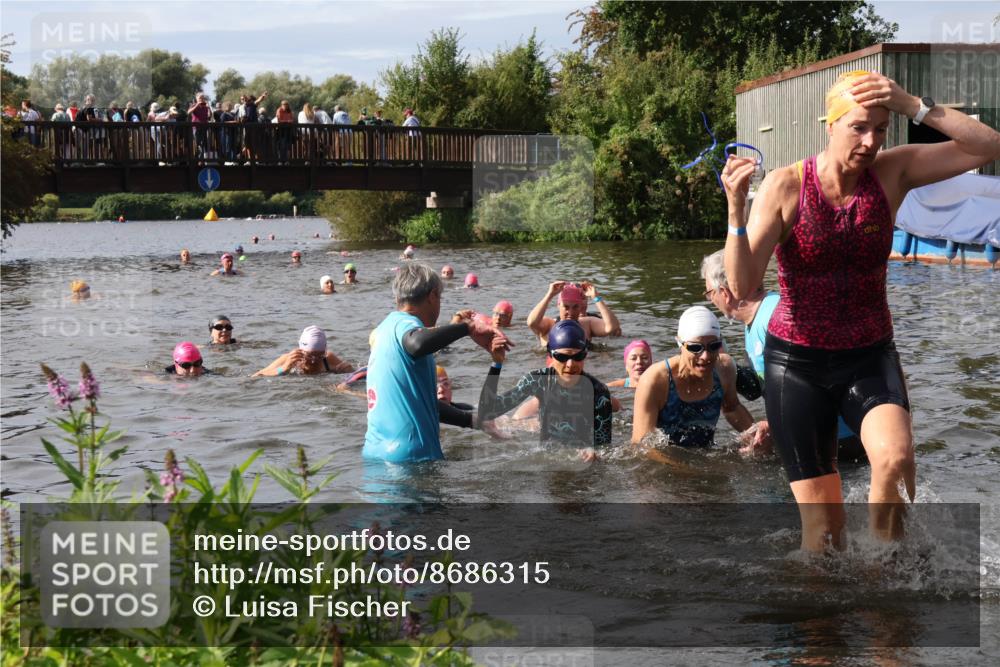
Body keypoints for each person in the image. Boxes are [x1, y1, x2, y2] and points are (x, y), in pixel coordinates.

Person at [722, 70, 1000, 550]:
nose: (870, 141)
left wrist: (913, 104)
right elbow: (744, 286)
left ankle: (884, 574)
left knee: (893, 459)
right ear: (829, 125)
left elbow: (987, 145)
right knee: (824, 536)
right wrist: (736, 211)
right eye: (858, 127)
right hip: (796, 365)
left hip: (869, 355)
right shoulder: (788, 187)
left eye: (880, 129)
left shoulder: (894, 172)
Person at [701, 249, 863, 460]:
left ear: (724, 292)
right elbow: (759, 387)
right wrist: (723, 363)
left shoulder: (775, 315)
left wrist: (773, 425)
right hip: (813, 435)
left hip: (837, 439)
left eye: (709, 293)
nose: (710, 300)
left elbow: (815, 376)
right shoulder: (754, 322)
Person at [362, 263, 510, 463]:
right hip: (411, 457)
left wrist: (472, 420)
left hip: (375, 453)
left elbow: (420, 402)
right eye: (439, 298)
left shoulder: (382, 331)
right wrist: (468, 327)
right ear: (433, 296)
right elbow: (417, 343)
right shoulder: (406, 325)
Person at [632, 306, 759, 455]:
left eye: (714, 346)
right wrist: (693, 472)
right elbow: (642, 447)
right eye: (695, 347)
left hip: (705, 457)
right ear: (680, 344)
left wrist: (758, 439)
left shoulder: (724, 368)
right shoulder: (655, 381)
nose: (705, 356)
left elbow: (731, 408)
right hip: (665, 466)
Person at [478, 319, 611, 461]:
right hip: (547, 459)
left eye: (578, 356)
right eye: (562, 357)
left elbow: (604, 447)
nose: (570, 364)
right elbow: (486, 412)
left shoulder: (598, 392)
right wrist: (496, 364)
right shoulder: (539, 380)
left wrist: (594, 452)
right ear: (550, 354)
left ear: (585, 354)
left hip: (582, 461)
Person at [527, 281, 621, 345]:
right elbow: (531, 322)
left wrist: (596, 297)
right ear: (558, 305)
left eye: (575, 307)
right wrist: (549, 295)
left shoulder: (587, 324)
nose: (570, 312)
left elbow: (612, 327)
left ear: (581, 307)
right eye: (566, 307)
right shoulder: (549, 325)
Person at [253, 326, 353, 377]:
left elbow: (355, 374)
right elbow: (257, 375)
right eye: (310, 355)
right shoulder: (289, 359)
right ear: (301, 350)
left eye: (319, 356)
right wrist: (283, 369)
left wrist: (349, 371)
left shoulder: (328, 358)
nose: (314, 360)